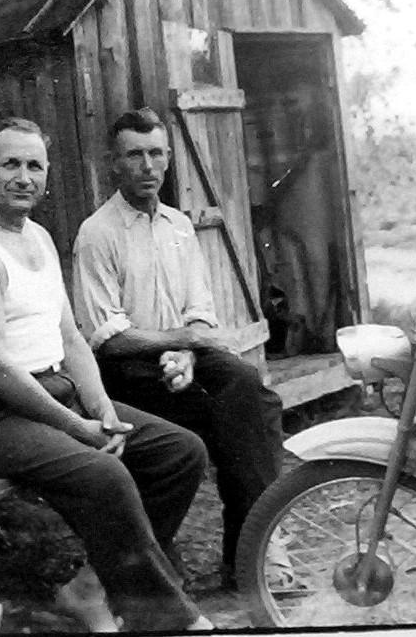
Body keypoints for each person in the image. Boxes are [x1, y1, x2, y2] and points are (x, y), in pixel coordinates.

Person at [0, 117, 213, 632]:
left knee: (178, 452)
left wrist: (101, 407)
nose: (23, 176)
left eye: (34, 165)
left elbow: (73, 339)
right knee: (105, 473)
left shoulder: (36, 237)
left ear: (47, 175)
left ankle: (90, 587)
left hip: (52, 395)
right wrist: (76, 427)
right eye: (9, 163)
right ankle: (169, 621)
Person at [72, 107, 285, 584]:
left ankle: (249, 552)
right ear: (115, 164)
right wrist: (181, 342)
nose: (147, 167)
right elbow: (107, 337)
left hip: (183, 356)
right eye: (134, 155)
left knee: (249, 392)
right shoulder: (98, 233)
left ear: (168, 159)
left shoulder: (179, 226)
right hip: (126, 369)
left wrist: (187, 352)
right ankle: (175, 560)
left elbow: (200, 311)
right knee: (224, 418)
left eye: (156, 154)